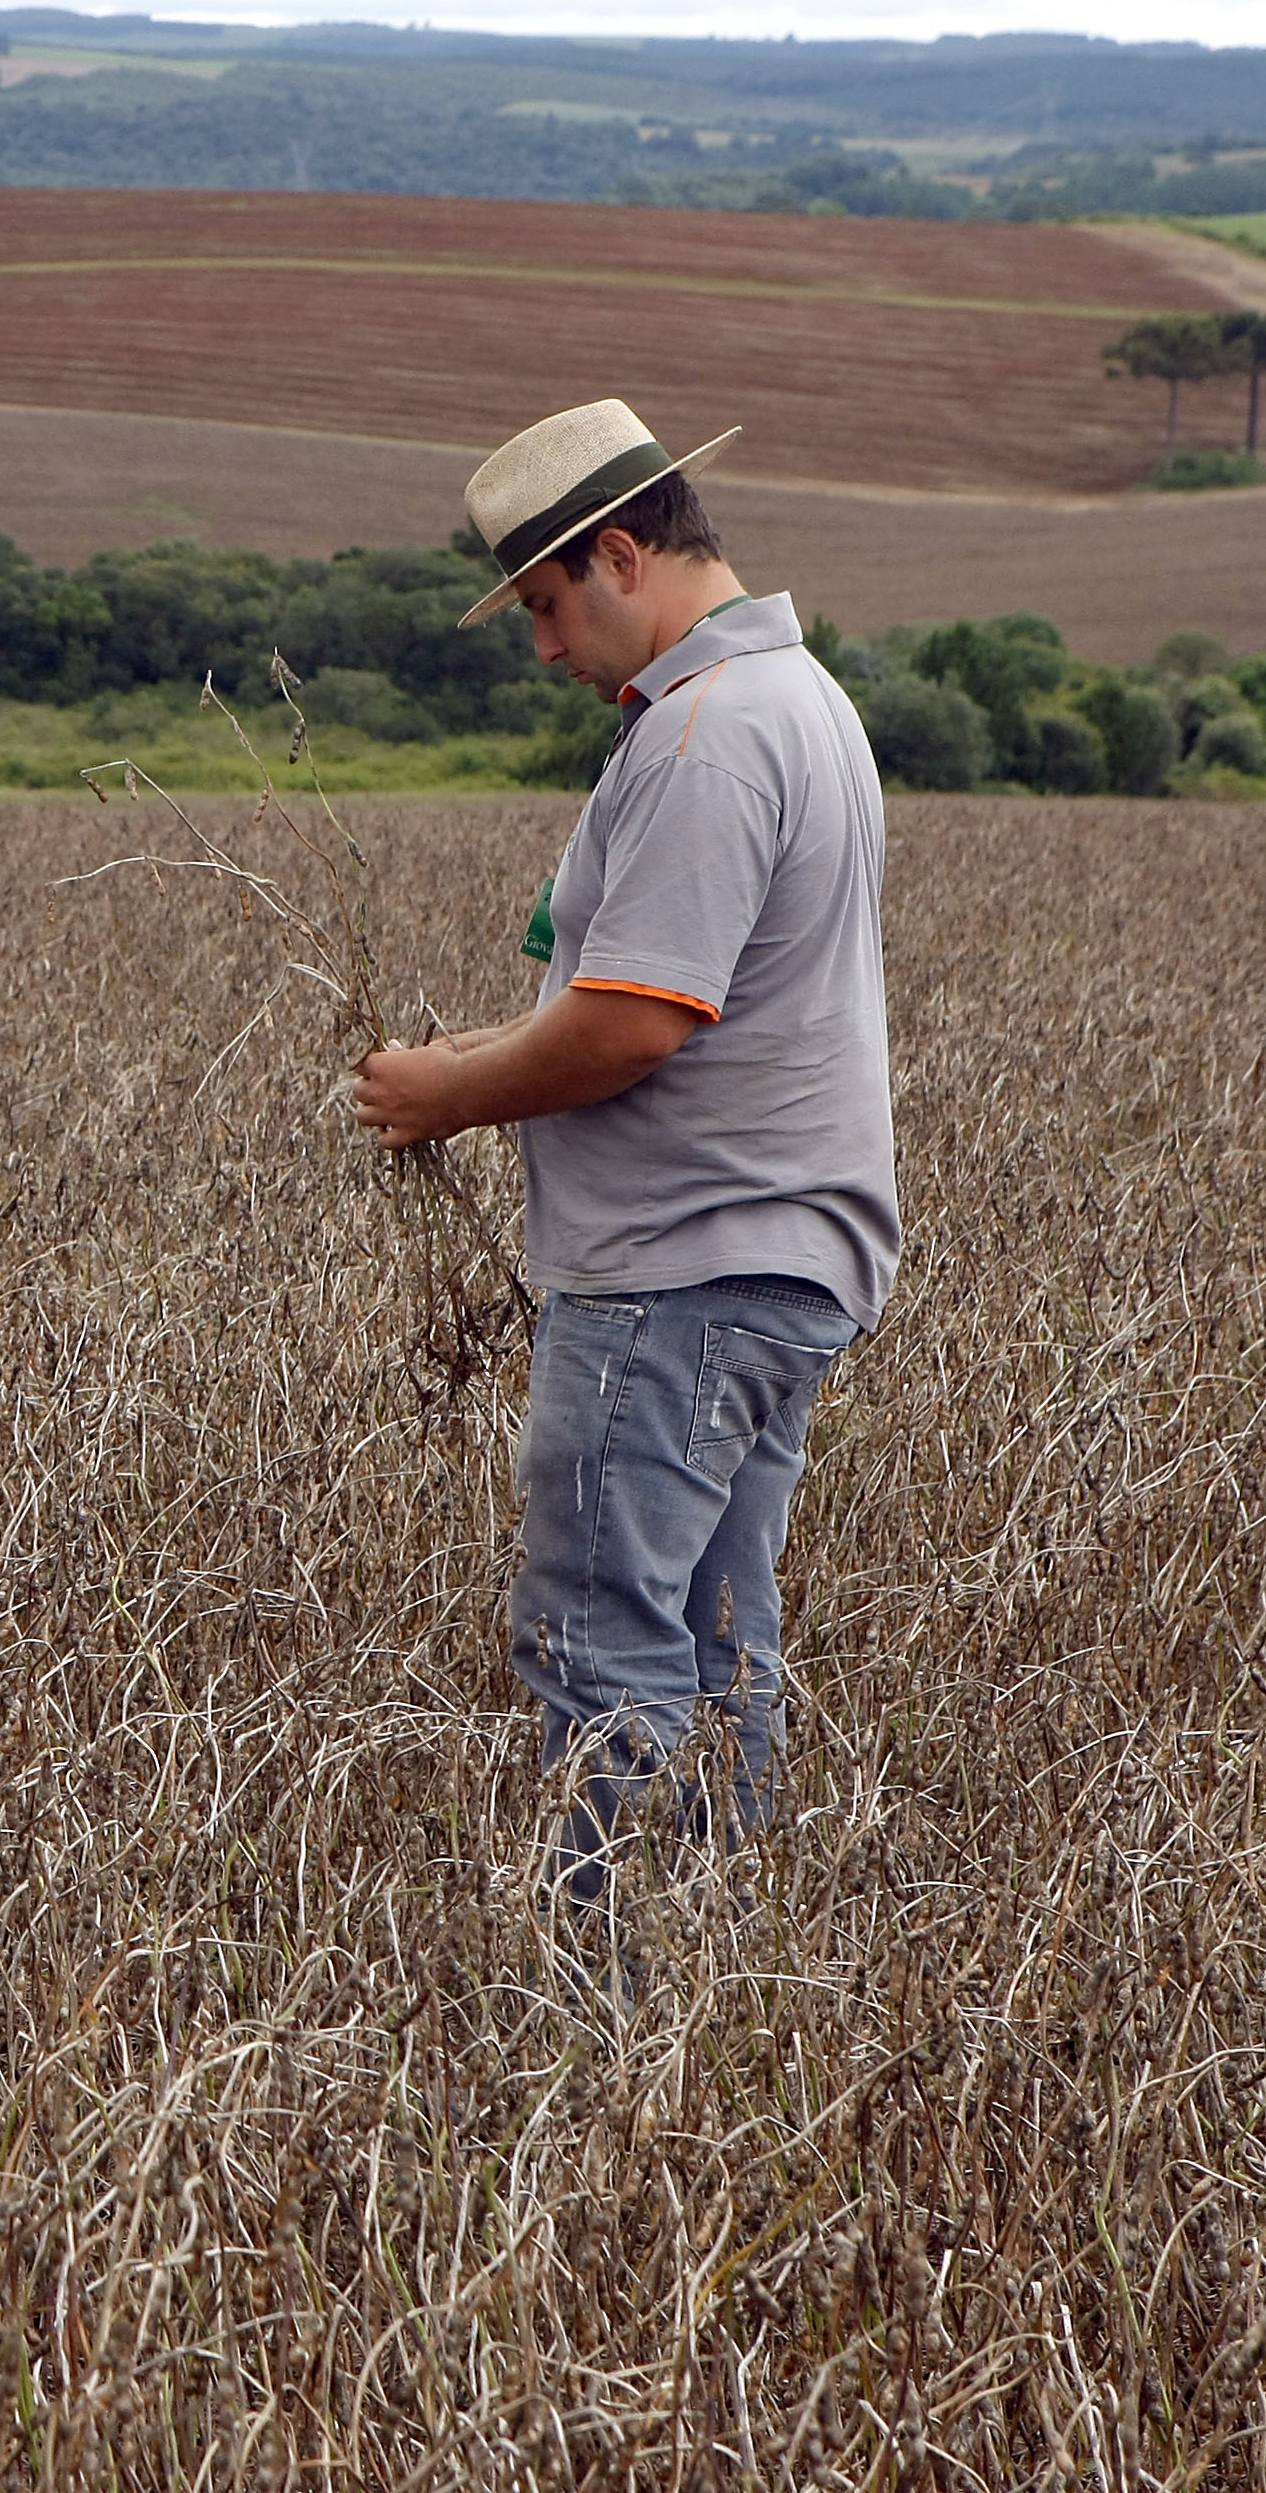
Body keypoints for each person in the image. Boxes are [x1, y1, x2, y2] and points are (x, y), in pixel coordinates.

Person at [349, 398, 899, 1924]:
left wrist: (447, 1091)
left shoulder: (707, 738)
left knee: (600, 1638)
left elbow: (635, 1026)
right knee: (721, 1645)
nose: (543, 648)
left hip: (681, 1268)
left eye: (544, 604)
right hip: (775, 1262)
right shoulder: (804, 702)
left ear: (617, 555)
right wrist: (481, 1065)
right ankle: (730, 2001)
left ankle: (610, 2009)